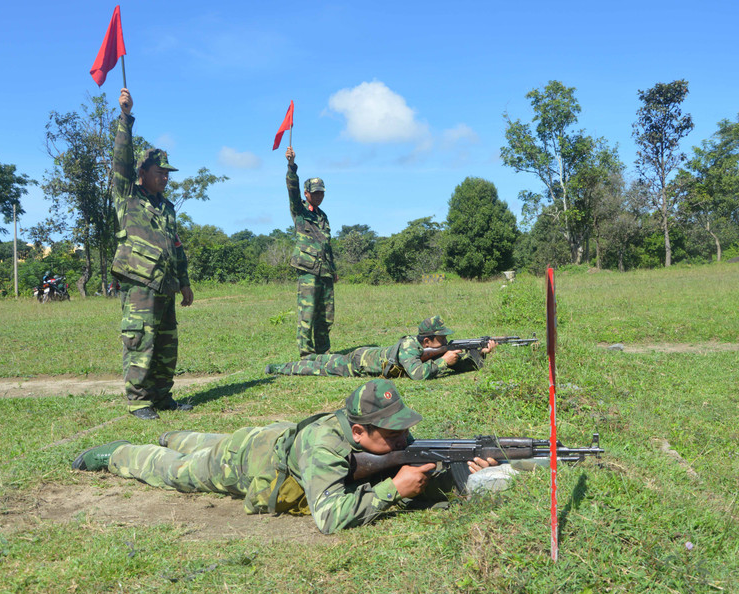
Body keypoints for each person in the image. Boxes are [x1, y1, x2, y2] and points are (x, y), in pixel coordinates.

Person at [72, 380, 498, 534]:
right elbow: (328, 518)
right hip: (251, 463)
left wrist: (461, 472)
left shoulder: (386, 435)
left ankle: (173, 433)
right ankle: (120, 453)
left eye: (404, 426)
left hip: (274, 437)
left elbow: (415, 465)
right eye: (393, 432)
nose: (405, 436)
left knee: (202, 439)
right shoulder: (327, 449)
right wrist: (391, 490)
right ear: (358, 432)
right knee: (181, 469)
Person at [111, 88, 194, 420]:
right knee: (140, 340)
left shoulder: (167, 208)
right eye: (160, 172)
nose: (165, 177)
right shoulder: (128, 197)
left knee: (165, 343)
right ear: (142, 173)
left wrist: (184, 283)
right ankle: (138, 400)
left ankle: (161, 396)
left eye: (167, 173)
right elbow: (121, 160)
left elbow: (176, 247)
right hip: (140, 284)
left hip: (166, 285)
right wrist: (125, 118)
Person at [265, 315, 497, 379]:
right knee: (315, 366)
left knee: (318, 360)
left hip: (363, 358)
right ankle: (278, 368)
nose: (445, 343)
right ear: (427, 342)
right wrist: (442, 362)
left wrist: (481, 356)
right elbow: (417, 375)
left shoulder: (428, 350)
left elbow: (453, 365)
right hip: (357, 363)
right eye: (441, 340)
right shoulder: (409, 347)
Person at [285, 146, 337, 357]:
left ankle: (323, 351)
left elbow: (327, 244)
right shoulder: (299, 211)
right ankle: (306, 353)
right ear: (306, 194)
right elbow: (292, 190)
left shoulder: (323, 216)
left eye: (321, 193)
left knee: (325, 314)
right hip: (307, 269)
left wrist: (333, 269)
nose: (319, 196)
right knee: (307, 313)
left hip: (324, 271)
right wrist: (291, 166)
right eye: (315, 193)